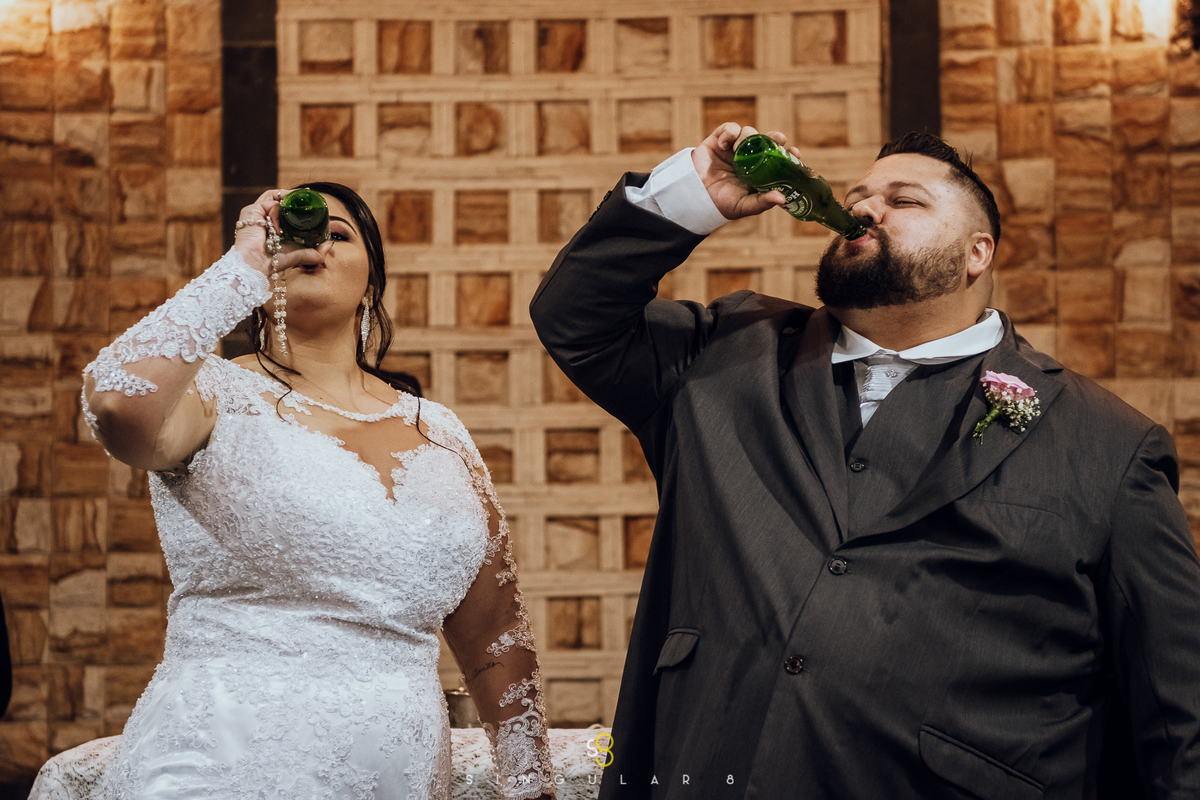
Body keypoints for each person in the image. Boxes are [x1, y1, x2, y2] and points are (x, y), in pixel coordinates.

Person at [530, 123, 1200, 799]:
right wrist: (689, 197)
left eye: (904, 200)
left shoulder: (1109, 444)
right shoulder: (724, 354)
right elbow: (575, 319)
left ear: (977, 253)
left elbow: (1180, 717)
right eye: (858, 197)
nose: (867, 208)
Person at [83, 183, 556, 800]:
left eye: (338, 234)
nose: (315, 246)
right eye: (293, 234)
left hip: (398, 778)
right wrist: (244, 264)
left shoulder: (440, 432)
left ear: (372, 279)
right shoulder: (212, 396)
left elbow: (494, 631)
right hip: (218, 765)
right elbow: (118, 401)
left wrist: (529, 784)